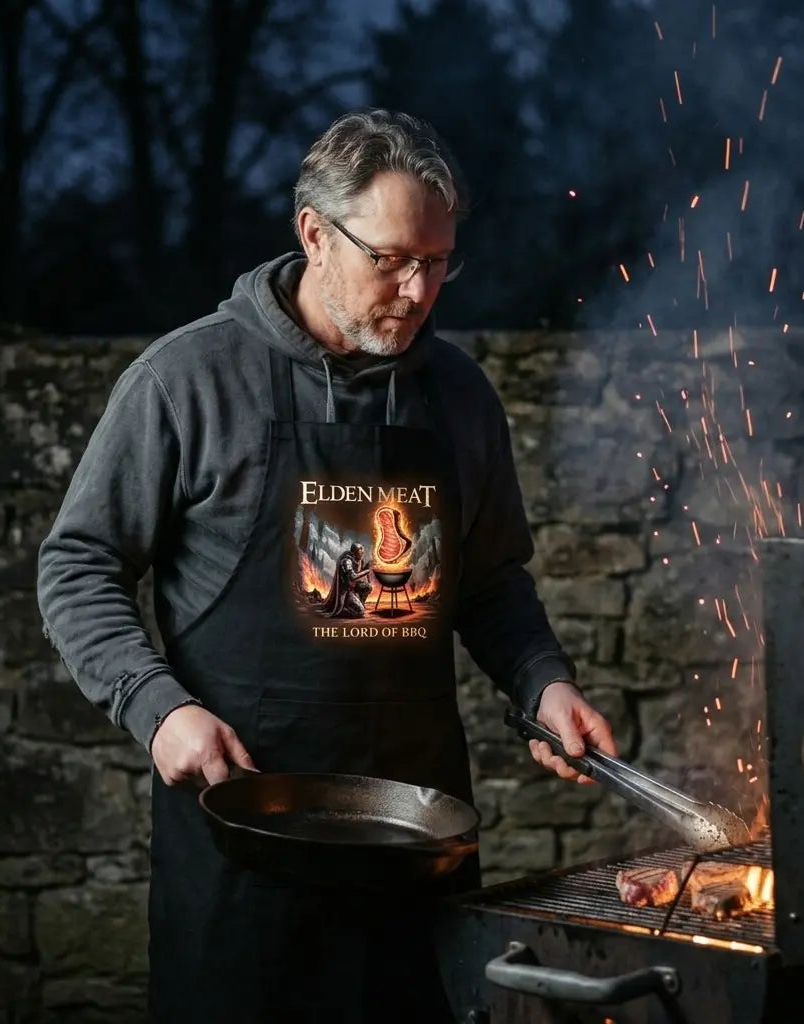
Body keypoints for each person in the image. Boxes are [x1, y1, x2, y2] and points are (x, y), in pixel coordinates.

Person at [37, 108, 619, 1023]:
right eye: (392, 258)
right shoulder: (185, 382)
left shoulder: (460, 398)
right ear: (315, 233)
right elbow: (77, 566)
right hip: (244, 855)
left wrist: (546, 684)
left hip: (418, 846)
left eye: (438, 262)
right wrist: (161, 710)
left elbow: (492, 580)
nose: (420, 289)